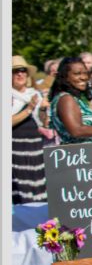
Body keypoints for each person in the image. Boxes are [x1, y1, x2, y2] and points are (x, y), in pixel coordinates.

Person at [11, 56, 48, 204]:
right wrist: (29, 109)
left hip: (35, 146)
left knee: (37, 185)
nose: (20, 74)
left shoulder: (34, 94)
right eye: (15, 71)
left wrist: (44, 109)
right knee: (20, 186)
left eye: (23, 71)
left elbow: (44, 123)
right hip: (15, 147)